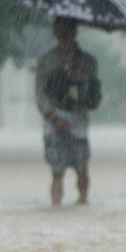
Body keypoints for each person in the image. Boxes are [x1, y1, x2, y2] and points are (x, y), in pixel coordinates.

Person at [35, 17, 102, 206]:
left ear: (75, 33)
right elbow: (40, 95)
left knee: (82, 167)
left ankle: (82, 201)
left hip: (78, 121)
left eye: (68, 31)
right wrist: (54, 118)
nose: (64, 36)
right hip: (53, 120)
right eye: (60, 31)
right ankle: (56, 206)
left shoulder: (88, 62)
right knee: (57, 171)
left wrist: (80, 80)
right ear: (55, 34)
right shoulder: (47, 61)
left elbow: (93, 96)